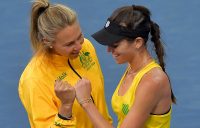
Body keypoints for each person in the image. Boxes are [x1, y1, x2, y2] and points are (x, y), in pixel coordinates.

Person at [74, 5, 176, 128]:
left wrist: (86, 102)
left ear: (138, 42)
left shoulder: (153, 81)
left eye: (115, 45)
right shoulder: (132, 69)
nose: (108, 50)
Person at [18, 0, 112, 128]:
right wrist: (66, 106)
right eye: (69, 44)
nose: (79, 46)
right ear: (47, 42)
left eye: (80, 36)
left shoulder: (87, 47)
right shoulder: (34, 79)